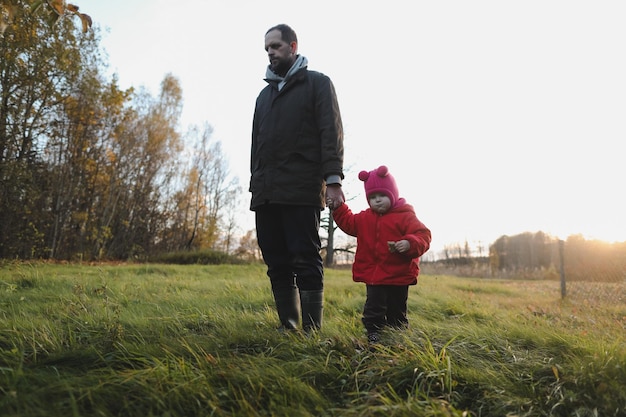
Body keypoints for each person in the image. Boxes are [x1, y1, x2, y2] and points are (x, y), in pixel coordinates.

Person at [250, 24, 344, 332]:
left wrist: (332, 179)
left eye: (276, 46)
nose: (271, 53)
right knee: (276, 260)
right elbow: (256, 144)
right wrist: (256, 182)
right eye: (267, 49)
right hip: (266, 192)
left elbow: (331, 133)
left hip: (301, 188)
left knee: (304, 257)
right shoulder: (263, 97)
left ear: (293, 46)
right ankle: (288, 326)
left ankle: (311, 330)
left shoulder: (318, 84)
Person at [329, 165, 431, 344]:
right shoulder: (365, 218)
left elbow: (423, 235)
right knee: (373, 308)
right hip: (375, 276)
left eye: (382, 196)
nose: (377, 201)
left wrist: (409, 243)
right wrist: (339, 208)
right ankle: (374, 334)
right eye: (373, 197)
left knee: (397, 310)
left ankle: (397, 336)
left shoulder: (405, 216)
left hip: (398, 275)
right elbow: (349, 223)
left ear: (393, 194)